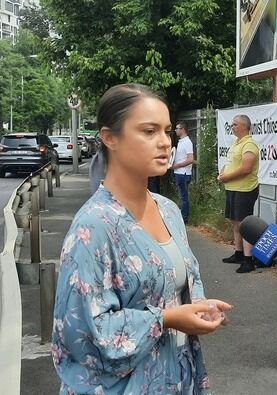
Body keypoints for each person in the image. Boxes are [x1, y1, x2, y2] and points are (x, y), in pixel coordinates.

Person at [52, 83, 233, 394]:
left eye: (167, 131)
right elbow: (84, 332)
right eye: (149, 132)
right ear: (110, 138)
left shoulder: (169, 210)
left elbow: (181, 283)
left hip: (178, 375)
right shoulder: (94, 226)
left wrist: (199, 307)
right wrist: (166, 319)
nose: (164, 142)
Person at [218, 114, 260, 274]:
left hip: (245, 190)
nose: (232, 127)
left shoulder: (249, 145)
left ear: (244, 126)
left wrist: (226, 177)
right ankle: (238, 253)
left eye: (235, 124)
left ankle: (248, 260)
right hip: (233, 188)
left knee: (244, 225)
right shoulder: (236, 143)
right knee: (235, 223)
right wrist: (222, 173)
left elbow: (246, 168)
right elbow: (231, 164)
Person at [172, 121, 194, 222]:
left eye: (177, 128)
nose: (175, 130)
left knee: (183, 197)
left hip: (183, 173)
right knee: (182, 196)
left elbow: (190, 159)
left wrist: (176, 165)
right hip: (179, 172)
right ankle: (183, 216)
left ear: (182, 130)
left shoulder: (187, 142)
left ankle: (184, 218)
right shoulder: (181, 141)